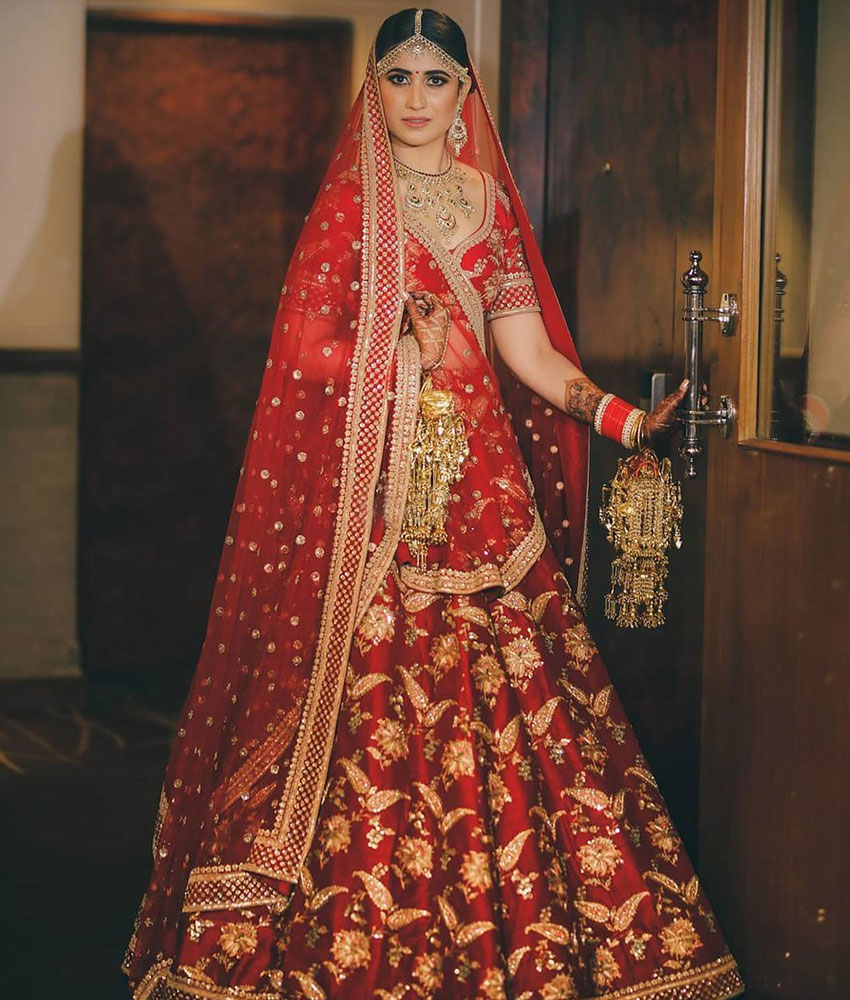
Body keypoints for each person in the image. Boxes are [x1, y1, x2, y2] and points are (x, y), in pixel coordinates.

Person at [123, 9, 744, 999]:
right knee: (372, 705)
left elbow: (525, 349)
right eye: (399, 78)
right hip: (380, 499)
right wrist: (401, 356)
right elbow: (297, 351)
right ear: (376, 91)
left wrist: (625, 420)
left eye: (436, 79)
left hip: (478, 493)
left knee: (518, 696)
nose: (416, 98)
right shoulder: (350, 208)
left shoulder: (486, 200)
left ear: (465, 94)